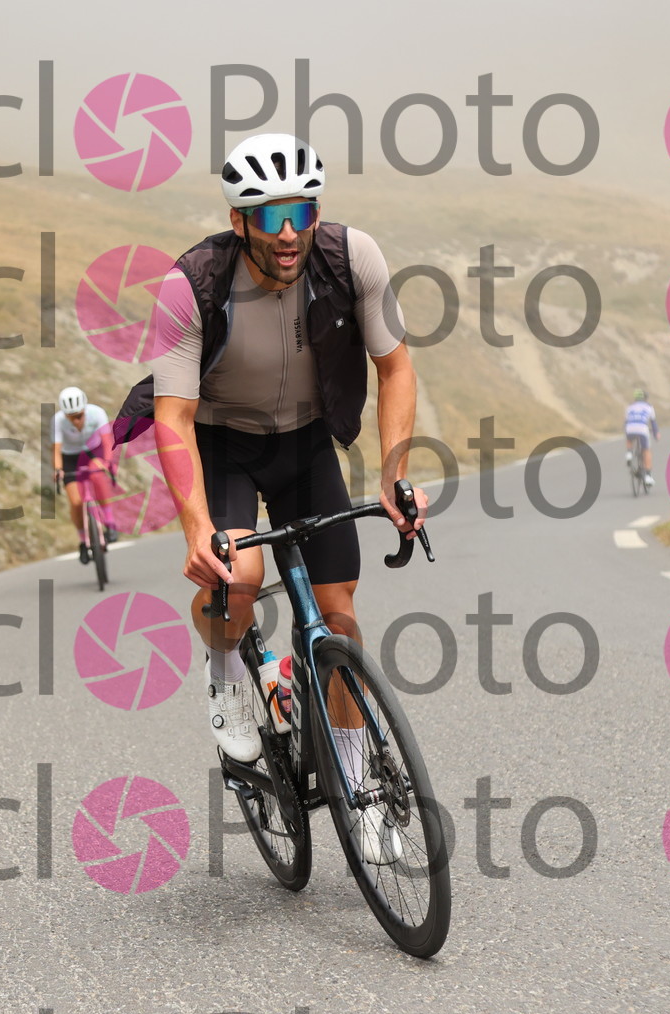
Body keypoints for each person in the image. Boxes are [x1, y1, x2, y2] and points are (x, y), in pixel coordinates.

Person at [112, 132, 427, 860]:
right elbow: (173, 417)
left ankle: (358, 781)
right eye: (271, 216)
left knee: (339, 618)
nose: (290, 233)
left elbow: (396, 367)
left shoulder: (352, 258)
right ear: (239, 221)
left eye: (302, 212)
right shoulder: (192, 284)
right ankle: (226, 672)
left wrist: (393, 474)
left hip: (305, 442)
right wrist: (197, 528)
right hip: (221, 442)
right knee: (239, 575)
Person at [51, 386, 116, 564]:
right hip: (70, 457)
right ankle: (82, 539)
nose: (76, 421)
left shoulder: (97, 413)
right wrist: (58, 469)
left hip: (93, 451)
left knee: (97, 476)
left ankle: (110, 521)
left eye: (79, 416)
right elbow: (56, 450)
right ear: (65, 415)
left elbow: (107, 441)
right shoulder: (57, 420)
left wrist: (107, 462)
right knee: (76, 502)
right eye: (71, 417)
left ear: (85, 410)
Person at [625, 388, 657, 488]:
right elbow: (653, 423)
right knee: (646, 450)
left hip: (630, 428)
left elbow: (626, 422)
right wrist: (656, 434)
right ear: (645, 398)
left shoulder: (629, 407)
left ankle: (629, 453)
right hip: (642, 429)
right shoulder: (649, 407)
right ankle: (648, 476)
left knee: (629, 437)